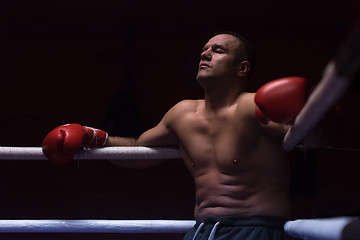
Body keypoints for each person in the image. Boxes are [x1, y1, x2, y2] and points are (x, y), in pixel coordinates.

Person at [42, 32, 311, 239]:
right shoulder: (182, 114)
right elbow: (137, 152)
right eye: (204, 50)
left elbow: (310, 138)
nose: (205, 54)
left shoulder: (255, 106)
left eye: (217, 51)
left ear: (242, 68)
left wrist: (308, 116)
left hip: (257, 229)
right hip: (203, 230)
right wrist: (93, 138)